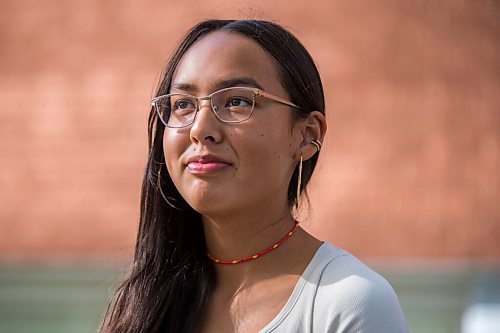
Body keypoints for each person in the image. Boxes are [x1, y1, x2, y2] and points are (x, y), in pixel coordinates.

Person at [100, 19, 409, 333]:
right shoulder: (142, 303)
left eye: (237, 102)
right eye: (183, 104)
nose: (200, 130)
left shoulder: (347, 303)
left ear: (306, 135)